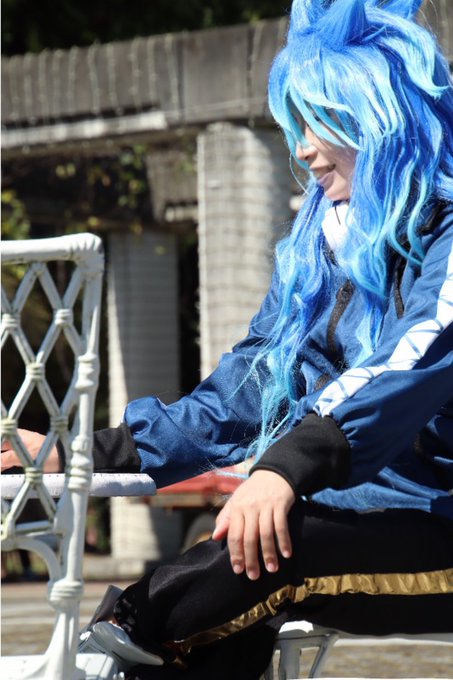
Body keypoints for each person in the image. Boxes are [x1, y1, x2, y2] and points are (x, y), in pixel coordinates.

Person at [2, 0, 453, 678]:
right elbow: (245, 392)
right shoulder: (327, 249)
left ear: (378, 117)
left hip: (438, 525)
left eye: (320, 122)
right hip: (361, 518)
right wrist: (83, 451)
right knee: (217, 587)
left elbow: (412, 359)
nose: (302, 149)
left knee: (250, 557)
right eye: (296, 126)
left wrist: (284, 467)